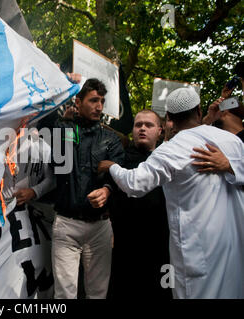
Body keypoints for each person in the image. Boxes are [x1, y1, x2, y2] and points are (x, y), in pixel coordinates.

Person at [99, 88, 244, 298]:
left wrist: (111, 167)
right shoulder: (232, 141)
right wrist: (230, 166)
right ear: (198, 110)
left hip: (197, 251)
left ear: (168, 120)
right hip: (232, 250)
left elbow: (134, 183)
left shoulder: (171, 149)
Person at [51, 78, 125, 299]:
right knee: (64, 294)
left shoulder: (111, 139)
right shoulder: (63, 130)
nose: (99, 106)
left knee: (98, 294)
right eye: (93, 100)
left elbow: (119, 176)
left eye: (102, 101)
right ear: (78, 101)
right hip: (66, 226)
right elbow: (56, 162)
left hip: (100, 228)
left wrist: (107, 190)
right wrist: (61, 83)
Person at [108, 109, 171, 299]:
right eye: (138, 125)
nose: (142, 128)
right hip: (123, 248)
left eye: (149, 125)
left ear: (160, 131)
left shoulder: (169, 159)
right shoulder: (119, 159)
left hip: (160, 246)